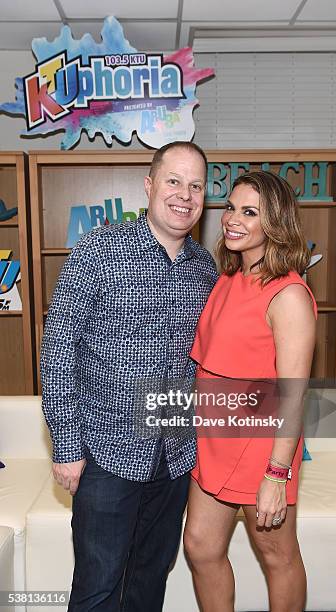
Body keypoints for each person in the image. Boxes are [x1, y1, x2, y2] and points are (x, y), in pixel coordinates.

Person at [40, 141, 218, 612]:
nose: (185, 194)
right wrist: (66, 449)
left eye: (196, 185)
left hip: (174, 455)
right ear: (149, 186)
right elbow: (58, 350)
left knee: (149, 580)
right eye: (174, 181)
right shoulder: (99, 249)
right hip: (106, 454)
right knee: (98, 586)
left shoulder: (206, 267)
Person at [184, 171, 317, 612]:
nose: (232, 220)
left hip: (261, 448)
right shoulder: (228, 278)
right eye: (230, 207)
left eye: (249, 212)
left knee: (278, 557)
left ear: (275, 223)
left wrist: (277, 475)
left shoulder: (289, 295)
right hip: (215, 439)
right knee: (201, 546)